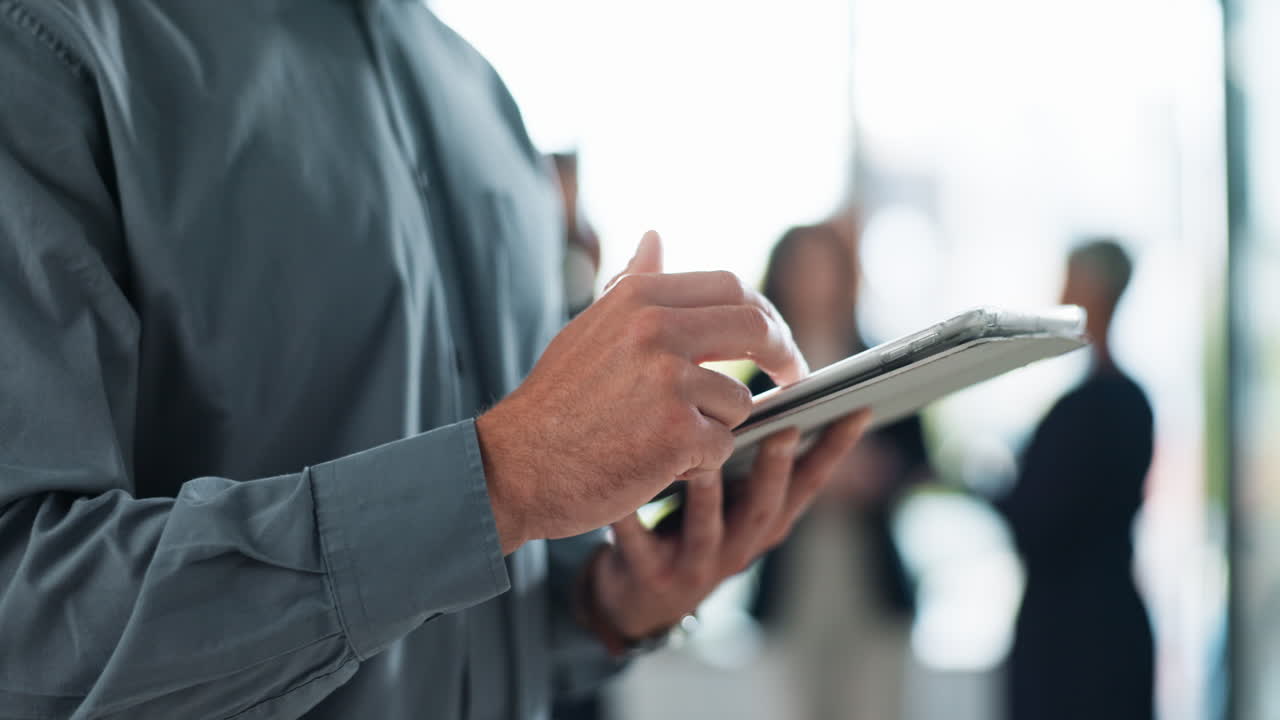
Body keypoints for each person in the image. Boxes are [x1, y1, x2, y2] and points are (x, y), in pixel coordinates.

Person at [0, 3, 870, 719]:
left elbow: (463, 617)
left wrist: (604, 606)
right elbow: (25, 616)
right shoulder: (49, 46)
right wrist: (501, 480)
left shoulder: (486, 102)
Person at [747, 220, 931, 720]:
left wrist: (877, 474)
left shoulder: (884, 359)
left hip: (870, 581)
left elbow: (919, 460)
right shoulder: (757, 377)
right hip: (792, 583)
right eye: (801, 268)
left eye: (823, 267)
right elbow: (730, 470)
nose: (813, 280)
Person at [997, 239, 1155, 720]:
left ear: (1095, 291)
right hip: (1094, 622)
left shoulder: (1096, 407)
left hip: (1076, 636)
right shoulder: (1126, 402)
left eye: (1070, 279)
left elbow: (1039, 514)